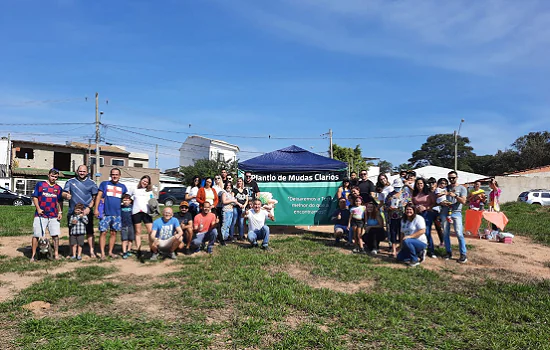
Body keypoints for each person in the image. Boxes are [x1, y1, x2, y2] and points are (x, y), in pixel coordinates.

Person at [30, 168, 69, 262]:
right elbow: (35, 197)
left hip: (53, 215)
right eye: (52, 176)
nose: (54, 178)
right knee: (36, 235)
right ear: (48, 175)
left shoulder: (58, 188)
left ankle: (56, 254)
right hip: (41, 214)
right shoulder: (40, 184)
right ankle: (33, 255)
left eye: (56, 177)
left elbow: (60, 201)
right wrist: (38, 208)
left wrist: (60, 212)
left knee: (55, 235)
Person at [63, 165, 98, 258]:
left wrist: (89, 208)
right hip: (73, 212)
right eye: (80, 171)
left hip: (87, 212)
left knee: (90, 232)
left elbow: (95, 197)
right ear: (77, 171)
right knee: (72, 233)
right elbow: (63, 192)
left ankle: (91, 251)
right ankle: (71, 252)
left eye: (84, 171)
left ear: (87, 172)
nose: (82, 173)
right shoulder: (70, 181)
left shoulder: (92, 183)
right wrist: (66, 195)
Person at [94, 168, 128, 260]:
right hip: (105, 213)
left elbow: (125, 199)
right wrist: (96, 209)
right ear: (110, 175)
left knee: (113, 233)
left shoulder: (123, 187)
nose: (114, 176)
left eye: (116, 174)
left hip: (117, 214)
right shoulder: (104, 184)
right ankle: (102, 253)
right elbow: (99, 196)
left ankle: (110, 252)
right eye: (113, 174)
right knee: (103, 232)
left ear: (119, 176)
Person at [440, 171, 468, 263]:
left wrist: (455, 195)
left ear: (457, 177)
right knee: (445, 233)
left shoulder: (462, 188)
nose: (451, 179)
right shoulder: (445, 188)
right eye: (450, 178)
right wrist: (441, 202)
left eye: (453, 177)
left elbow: (464, 201)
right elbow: (439, 197)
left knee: (459, 233)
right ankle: (448, 252)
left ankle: (463, 254)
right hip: (445, 211)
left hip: (456, 212)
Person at [412, 178, 437, 258]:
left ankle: (431, 250)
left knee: (427, 231)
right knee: (417, 231)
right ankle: (419, 249)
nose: (419, 185)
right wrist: (415, 207)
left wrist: (426, 208)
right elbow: (412, 202)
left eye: (421, 183)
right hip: (417, 214)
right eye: (418, 184)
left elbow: (434, 203)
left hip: (427, 213)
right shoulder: (414, 193)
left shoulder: (429, 193)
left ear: (424, 184)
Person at [129, 175, 154, 256]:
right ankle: (138, 250)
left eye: (146, 182)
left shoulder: (149, 192)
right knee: (138, 232)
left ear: (148, 183)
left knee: (151, 232)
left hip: (147, 213)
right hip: (136, 212)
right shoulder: (134, 189)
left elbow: (152, 202)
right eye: (144, 181)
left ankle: (152, 249)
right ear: (141, 180)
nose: (145, 183)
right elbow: (128, 198)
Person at [385, 178, 404, 258]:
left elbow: (409, 204)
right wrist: (389, 208)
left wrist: (403, 206)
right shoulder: (390, 195)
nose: (397, 188)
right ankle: (393, 250)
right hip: (392, 217)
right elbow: (385, 206)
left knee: (401, 233)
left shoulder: (405, 194)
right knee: (393, 233)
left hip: (402, 217)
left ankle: (400, 249)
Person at [427, 177, 445, 248]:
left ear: (436, 183)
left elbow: (441, 201)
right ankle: (429, 242)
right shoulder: (427, 191)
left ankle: (442, 242)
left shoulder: (438, 190)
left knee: (438, 227)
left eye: (433, 183)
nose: (431, 184)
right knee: (428, 227)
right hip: (429, 211)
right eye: (430, 183)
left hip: (437, 211)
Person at [120, 194, 135, 259]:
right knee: (124, 239)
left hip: (131, 225)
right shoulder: (120, 207)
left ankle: (128, 250)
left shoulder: (133, 207)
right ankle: (124, 252)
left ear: (130, 201)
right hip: (123, 225)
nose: (126, 201)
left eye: (127, 200)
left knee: (130, 239)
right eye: (124, 200)